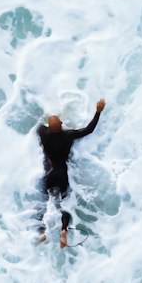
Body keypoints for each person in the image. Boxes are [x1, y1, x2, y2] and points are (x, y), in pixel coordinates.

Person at [37, 99, 106, 248]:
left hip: (49, 173)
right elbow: (88, 130)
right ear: (60, 126)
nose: (62, 123)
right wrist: (98, 112)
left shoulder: (43, 133)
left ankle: (42, 232)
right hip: (62, 173)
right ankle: (63, 230)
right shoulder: (68, 135)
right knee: (65, 203)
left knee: (45, 201)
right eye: (60, 122)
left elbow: (41, 126)